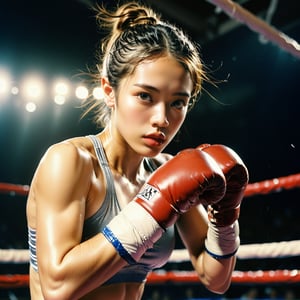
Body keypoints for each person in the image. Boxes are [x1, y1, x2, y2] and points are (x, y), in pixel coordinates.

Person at [26, 1, 249, 299]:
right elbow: (57, 287)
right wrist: (154, 207)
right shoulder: (70, 161)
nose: (162, 119)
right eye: (145, 96)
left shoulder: (165, 169)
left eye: (178, 103)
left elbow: (215, 279)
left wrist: (226, 216)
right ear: (109, 91)